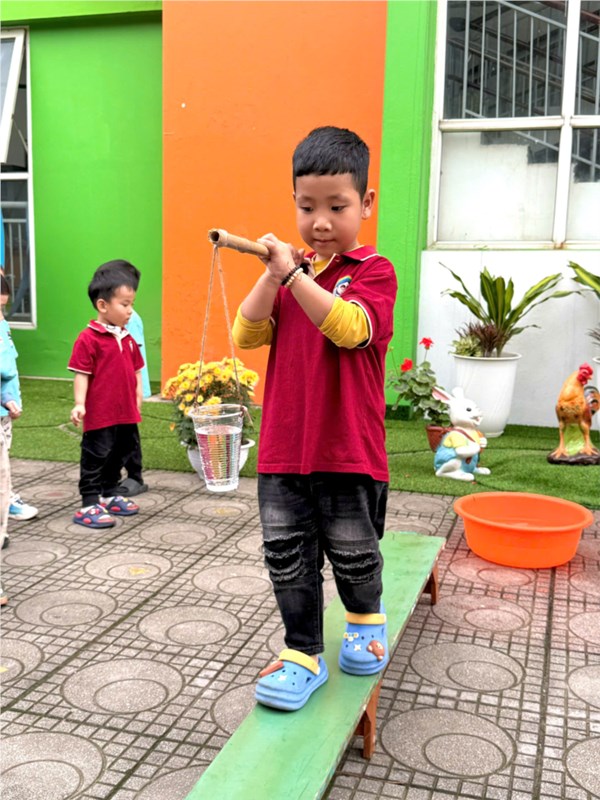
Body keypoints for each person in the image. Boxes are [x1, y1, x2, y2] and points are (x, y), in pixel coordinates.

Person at [232, 126, 398, 710]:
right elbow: (246, 333)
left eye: (337, 206)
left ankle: (366, 619)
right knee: (287, 556)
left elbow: (349, 328)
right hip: (284, 447)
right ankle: (302, 651)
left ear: (366, 203)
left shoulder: (374, 270)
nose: (320, 222)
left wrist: (295, 277)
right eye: (307, 208)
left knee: (354, 551)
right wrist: (272, 273)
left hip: (347, 447)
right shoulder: (290, 276)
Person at [68, 266, 144, 528]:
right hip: (101, 413)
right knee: (96, 455)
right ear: (103, 305)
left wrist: (137, 396)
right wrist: (80, 403)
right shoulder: (88, 339)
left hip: (125, 412)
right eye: (125, 304)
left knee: (121, 451)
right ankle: (89, 502)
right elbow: (81, 373)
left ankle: (109, 493)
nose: (130, 310)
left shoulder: (128, 338)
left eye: (131, 304)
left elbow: (136, 370)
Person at [90, 260, 150, 496]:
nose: (128, 308)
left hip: (127, 390)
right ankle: (109, 479)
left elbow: (133, 359)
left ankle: (135, 475)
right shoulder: (108, 319)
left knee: (128, 436)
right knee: (111, 438)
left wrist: (136, 392)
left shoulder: (129, 318)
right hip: (111, 394)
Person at [0, 275, 38, 529]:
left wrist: (10, 399)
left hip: (5, 409)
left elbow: (8, 367)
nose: (1, 315)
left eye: (3, 308)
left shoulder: (3, 326)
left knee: (4, 457)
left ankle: (6, 497)